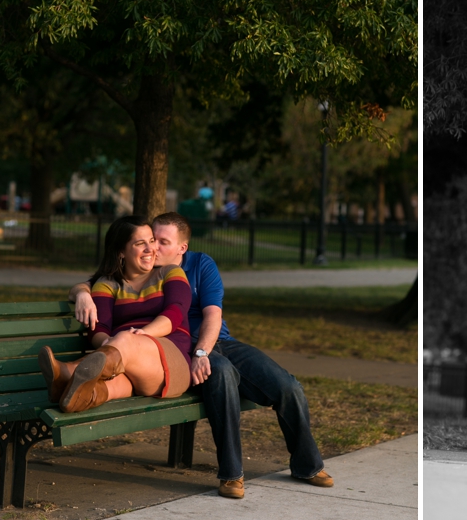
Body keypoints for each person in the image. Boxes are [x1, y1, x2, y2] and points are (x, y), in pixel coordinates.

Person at [68, 212, 332, 500]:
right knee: (222, 376)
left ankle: (307, 465)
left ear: (182, 248)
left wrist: (202, 351)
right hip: (174, 348)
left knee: (287, 386)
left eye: (161, 242)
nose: (153, 247)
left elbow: (213, 315)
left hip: (213, 343)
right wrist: (82, 293)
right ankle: (232, 474)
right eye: (150, 239)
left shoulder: (199, 265)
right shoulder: (141, 269)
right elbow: (99, 280)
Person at [40, 216, 191, 413]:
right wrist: (112, 346)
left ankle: (67, 372)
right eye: (140, 243)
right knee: (104, 388)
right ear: (121, 252)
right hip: (122, 363)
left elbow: (175, 312)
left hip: (169, 362)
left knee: (124, 340)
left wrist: (137, 337)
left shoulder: (170, 272)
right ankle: (75, 398)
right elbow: (98, 329)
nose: (150, 249)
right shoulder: (107, 283)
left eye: (151, 241)